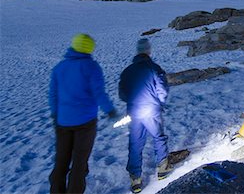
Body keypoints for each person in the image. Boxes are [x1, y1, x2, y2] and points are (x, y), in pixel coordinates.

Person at [48, 33, 117, 194]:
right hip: (85, 123)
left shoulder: (60, 67)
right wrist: (110, 111)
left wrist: (55, 114)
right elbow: (99, 93)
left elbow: (53, 95)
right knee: (79, 164)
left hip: (62, 122)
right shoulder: (91, 67)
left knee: (61, 161)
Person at [119, 38, 172, 193]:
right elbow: (162, 90)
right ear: (148, 51)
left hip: (134, 112)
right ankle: (163, 168)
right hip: (151, 110)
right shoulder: (154, 68)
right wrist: (159, 103)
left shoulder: (127, 71)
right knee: (158, 137)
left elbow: (122, 94)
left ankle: (135, 179)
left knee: (135, 143)